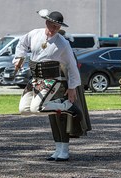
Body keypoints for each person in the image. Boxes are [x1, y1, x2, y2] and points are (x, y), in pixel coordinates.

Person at [12, 9, 83, 160]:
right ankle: (60, 111)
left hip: (51, 80)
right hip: (35, 79)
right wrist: (18, 59)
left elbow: (72, 65)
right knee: (24, 110)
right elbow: (21, 44)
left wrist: (72, 87)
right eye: (52, 26)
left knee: (37, 109)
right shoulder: (34, 34)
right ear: (46, 23)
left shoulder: (62, 43)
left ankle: (66, 107)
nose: (54, 30)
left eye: (57, 27)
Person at [47, 29, 91, 161]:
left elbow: (71, 74)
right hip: (51, 91)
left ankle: (64, 150)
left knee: (62, 121)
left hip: (63, 91)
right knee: (54, 121)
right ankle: (57, 148)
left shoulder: (68, 54)